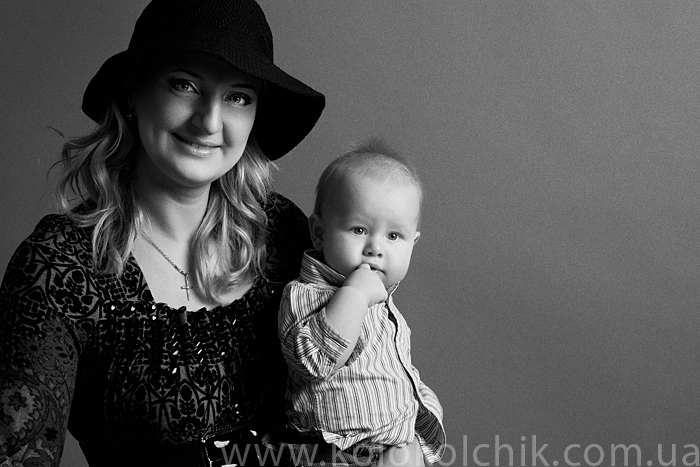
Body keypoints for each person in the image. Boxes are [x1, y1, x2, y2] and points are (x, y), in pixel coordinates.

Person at [0, 1, 326, 466]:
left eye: (238, 97)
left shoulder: (282, 233)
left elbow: (362, 387)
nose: (209, 122)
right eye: (184, 85)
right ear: (134, 92)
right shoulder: (58, 267)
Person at [277, 140, 446, 466]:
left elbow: (395, 374)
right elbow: (313, 362)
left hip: (390, 448)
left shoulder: (383, 309)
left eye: (393, 236)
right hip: (333, 451)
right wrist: (354, 295)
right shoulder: (305, 294)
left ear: (413, 243)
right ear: (319, 233)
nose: (375, 248)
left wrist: (419, 419)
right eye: (358, 230)